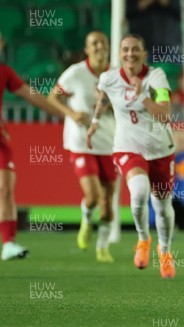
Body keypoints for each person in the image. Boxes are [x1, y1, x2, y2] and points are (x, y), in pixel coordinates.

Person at [86, 33, 177, 278]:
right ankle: (143, 239)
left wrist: (142, 97)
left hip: (160, 150)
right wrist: (95, 121)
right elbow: (102, 97)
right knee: (138, 192)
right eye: (125, 50)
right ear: (119, 54)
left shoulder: (157, 78)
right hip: (128, 147)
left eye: (135, 49)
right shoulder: (109, 78)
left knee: (162, 206)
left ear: (144, 53)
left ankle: (165, 251)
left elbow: (165, 114)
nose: (130, 54)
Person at [47, 31, 117, 262]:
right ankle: (87, 220)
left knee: (108, 203)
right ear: (86, 49)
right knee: (94, 196)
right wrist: (72, 113)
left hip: (109, 143)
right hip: (81, 143)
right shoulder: (75, 73)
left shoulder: (116, 75)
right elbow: (52, 98)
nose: (99, 47)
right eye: (93, 43)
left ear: (108, 47)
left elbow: (126, 107)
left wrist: (108, 105)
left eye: (102, 43)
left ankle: (103, 247)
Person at [0, 31, 64, 260]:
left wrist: (64, 114)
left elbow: (32, 96)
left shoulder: (4, 72)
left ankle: (8, 243)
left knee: (5, 188)